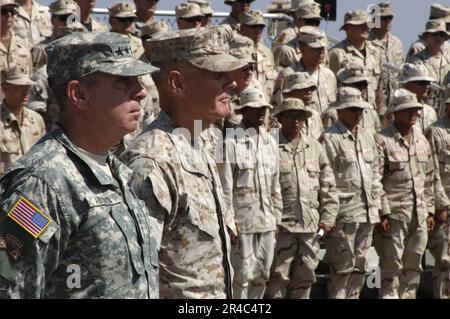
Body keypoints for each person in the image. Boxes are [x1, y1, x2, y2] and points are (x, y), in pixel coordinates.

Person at [0, 31, 160, 298]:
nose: (142, 91)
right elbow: (9, 288)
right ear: (79, 94)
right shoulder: (40, 184)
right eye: (123, 81)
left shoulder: (114, 168)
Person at [120, 26, 245, 299]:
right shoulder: (152, 161)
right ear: (177, 84)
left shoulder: (201, 141)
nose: (232, 83)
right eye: (217, 74)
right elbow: (136, 277)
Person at [265, 97, 339, 299]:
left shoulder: (314, 148)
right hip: (282, 228)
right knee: (277, 277)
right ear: (280, 118)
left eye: (300, 116)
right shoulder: (269, 145)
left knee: (305, 278)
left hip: (309, 227)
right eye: (290, 116)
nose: (295, 121)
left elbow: (328, 186)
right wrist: (271, 222)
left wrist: (328, 217)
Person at [219, 87, 282, 299]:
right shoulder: (230, 143)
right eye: (255, 109)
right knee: (242, 277)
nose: (261, 113)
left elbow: (275, 186)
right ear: (244, 111)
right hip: (242, 223)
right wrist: (230, 222)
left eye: (264, 109)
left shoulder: (270, 143)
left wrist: (277, 220)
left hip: (267, 221)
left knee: (262, 274)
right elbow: (225, 188)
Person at [321, 87, 383, 299]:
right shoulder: (329, 139)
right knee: (341, 272)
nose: (358, 114)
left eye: (360, 110)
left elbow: (376, 175)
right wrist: (329, 215)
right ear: (339, 111)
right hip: (344, 215)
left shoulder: (367, 137)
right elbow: (326, 180)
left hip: (367, 214)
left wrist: (378, 207)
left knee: (360, 269)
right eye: (352, 110)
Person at [374, 89, 436, 299]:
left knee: (413, 266)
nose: (413, 114)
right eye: (407, 110)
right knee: (391, 267)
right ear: (395, 113)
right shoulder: (382, 140)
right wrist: (383, 212)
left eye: (416, 110)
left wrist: (429, 210)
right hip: (394, 215)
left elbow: (428, 178)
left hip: (418, 215)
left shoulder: (422, 140)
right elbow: (376, 180)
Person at [329, 9, 382, 111]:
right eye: (360, 25)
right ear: (348, 28)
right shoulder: (337, 53)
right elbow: (331, 88)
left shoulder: (375, 52)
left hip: (370, 112)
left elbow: (379, 87)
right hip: (348, 112)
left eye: (367, 24)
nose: (366, 28)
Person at [426, 85, 450, 299]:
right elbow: (431, 172)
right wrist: (441, 205)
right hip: (446, 208)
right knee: (444, 261)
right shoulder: (436, 132)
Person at [0, 65, 45, 176]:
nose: (25, 92)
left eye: (27, 87)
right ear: (5, 88)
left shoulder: (36, 119)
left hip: (32, 187)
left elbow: (44, 156)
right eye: (18, 87)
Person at [322, 63, 381, 135]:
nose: (362, 88)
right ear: (345, 84)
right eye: (358, 84)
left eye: (364, 84)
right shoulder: (332, 113)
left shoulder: (370, 111)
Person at [369, 2, 404, 117]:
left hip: (395, 105)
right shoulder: (366, 43)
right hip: (374, 105)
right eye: (384, 18)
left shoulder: (397, 43)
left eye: (390, 17)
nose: (388, 21)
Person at [409, 19, 450, 110]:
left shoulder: (448, 60)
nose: (438, 38)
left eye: (441, 35)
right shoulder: (417, 61)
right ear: (426, 36)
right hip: (425, 110)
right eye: (434, 34)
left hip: (445, 112)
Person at [239, 10, 276, 99]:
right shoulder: (235, 53)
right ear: (242, 27)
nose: (258, 30)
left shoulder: (267, 53)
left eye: (261, 26)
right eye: (254, 26)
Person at [280, 72, 324, 139]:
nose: (309, 92)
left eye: (311, 89)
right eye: (304, 89)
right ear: (289, 93)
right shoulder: (280, 117)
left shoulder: (315, 115)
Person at [398, 63, 437, 133]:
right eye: (422, 83)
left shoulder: (430, 112)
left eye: (428, 83)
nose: (427, 86)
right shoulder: (396, 112)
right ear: (407, 85)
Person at [0, 0, 33, 73]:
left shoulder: (23, 44)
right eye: (3, 11)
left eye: (12, 11)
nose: (9, 14)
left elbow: (29, 76)